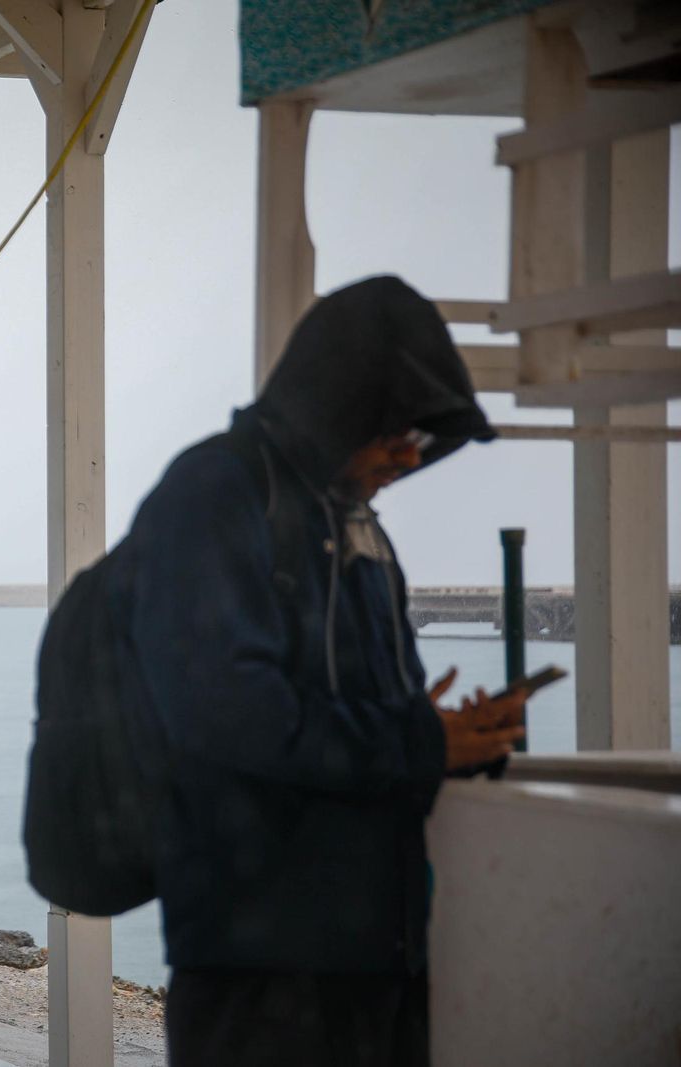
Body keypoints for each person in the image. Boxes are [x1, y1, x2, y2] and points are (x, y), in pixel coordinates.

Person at [120, 276, 528, 1066]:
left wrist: (456, 737)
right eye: (397, 428)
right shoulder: (213, 497)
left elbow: (378, 722)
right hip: (262, 978)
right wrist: (419, 740)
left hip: (380, 960)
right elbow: (229, 714)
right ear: (340, 403)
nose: (410, 454)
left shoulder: (355, 522)